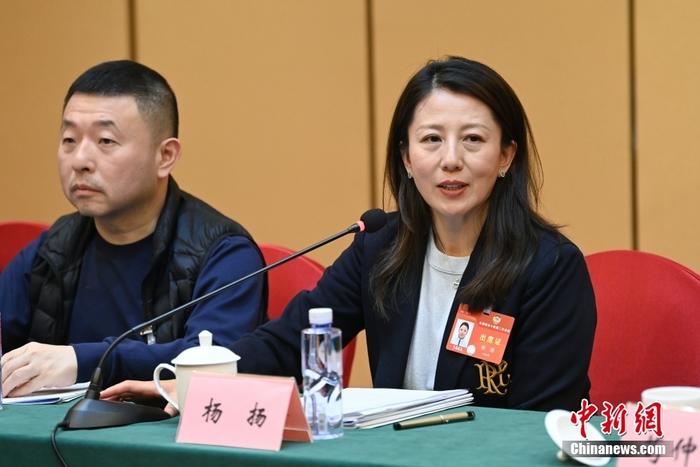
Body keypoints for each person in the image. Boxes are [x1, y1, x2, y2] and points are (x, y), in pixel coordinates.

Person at [103, 56, 595, 412]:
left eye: (473, 139)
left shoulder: (548, 266)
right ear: (406, 158)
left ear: (506, 156)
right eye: (431, 139)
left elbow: (539, 420)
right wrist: (196, 384)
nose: (451, 159)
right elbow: (289, 341)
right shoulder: (382, 246)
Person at [0, 60, 267, 397]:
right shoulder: (53, 248)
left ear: (165, 156)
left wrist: (83, 360)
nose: (80, 160)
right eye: (69, 139)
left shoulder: (225, 253)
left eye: (105, 141)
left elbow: (215, 363)